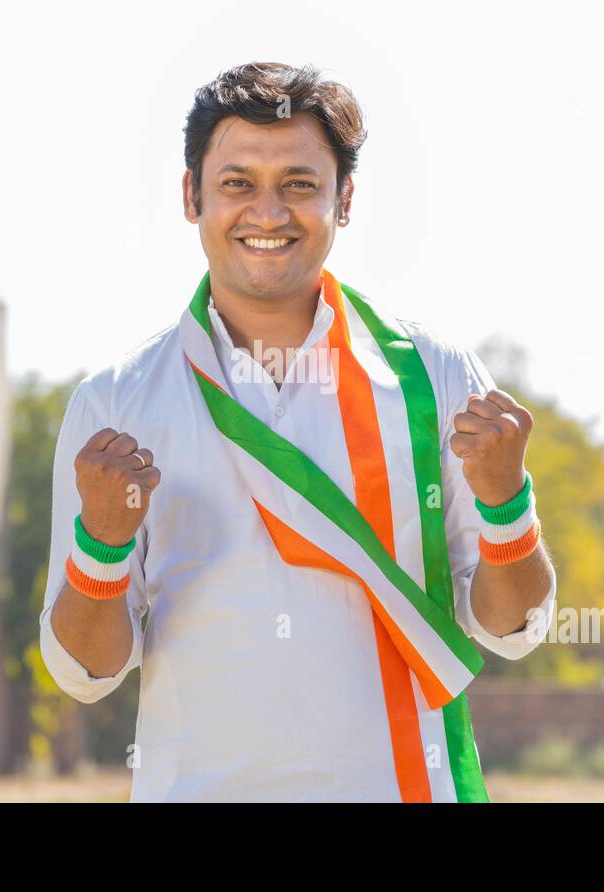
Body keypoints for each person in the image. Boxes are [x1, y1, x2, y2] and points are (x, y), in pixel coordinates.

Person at [40, 62, 556, 802]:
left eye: (301, 184)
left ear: (344, 201)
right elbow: (82, 674)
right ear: (192, 196)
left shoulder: (434, 378)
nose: (269, 212)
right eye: (238, 182)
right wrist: (102, 545)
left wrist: (509, 504)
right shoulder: (116, 404)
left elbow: (515, 629)